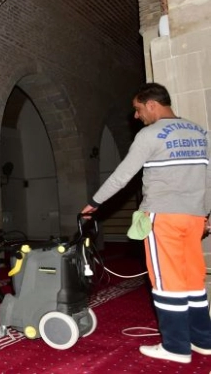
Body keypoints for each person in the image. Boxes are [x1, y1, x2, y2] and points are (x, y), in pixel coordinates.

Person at [81, 82, 211, 364]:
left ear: (151, 104)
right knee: (192, 280)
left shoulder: (149, 134)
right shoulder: (201, 132)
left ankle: (176, 347)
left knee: (165, 283)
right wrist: (206, 214)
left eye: (138, 109)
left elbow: (122, 176)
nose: (137, 116)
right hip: (194, 216)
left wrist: (94, 203)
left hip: (163, 216)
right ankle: (203, 340)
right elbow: (207, 177)